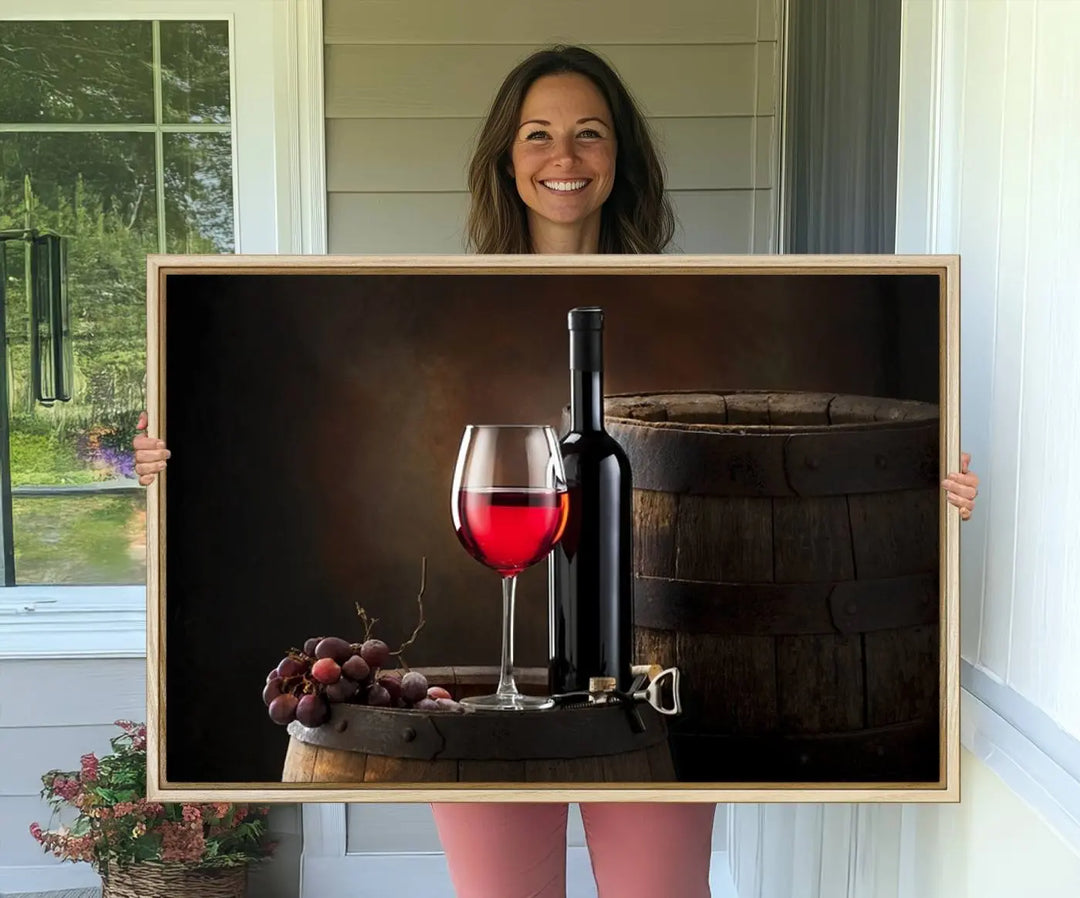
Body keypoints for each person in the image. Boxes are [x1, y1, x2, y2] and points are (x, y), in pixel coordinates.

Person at [133, 45, 980, 897]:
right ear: (507, 158)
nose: (564, 158)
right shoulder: (438, 292)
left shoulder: (706, 294)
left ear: (621, 159)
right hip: (478, 703)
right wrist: (163, 468)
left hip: (648, 693)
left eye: (589, 134)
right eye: (538, 135)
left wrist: (933, 494)